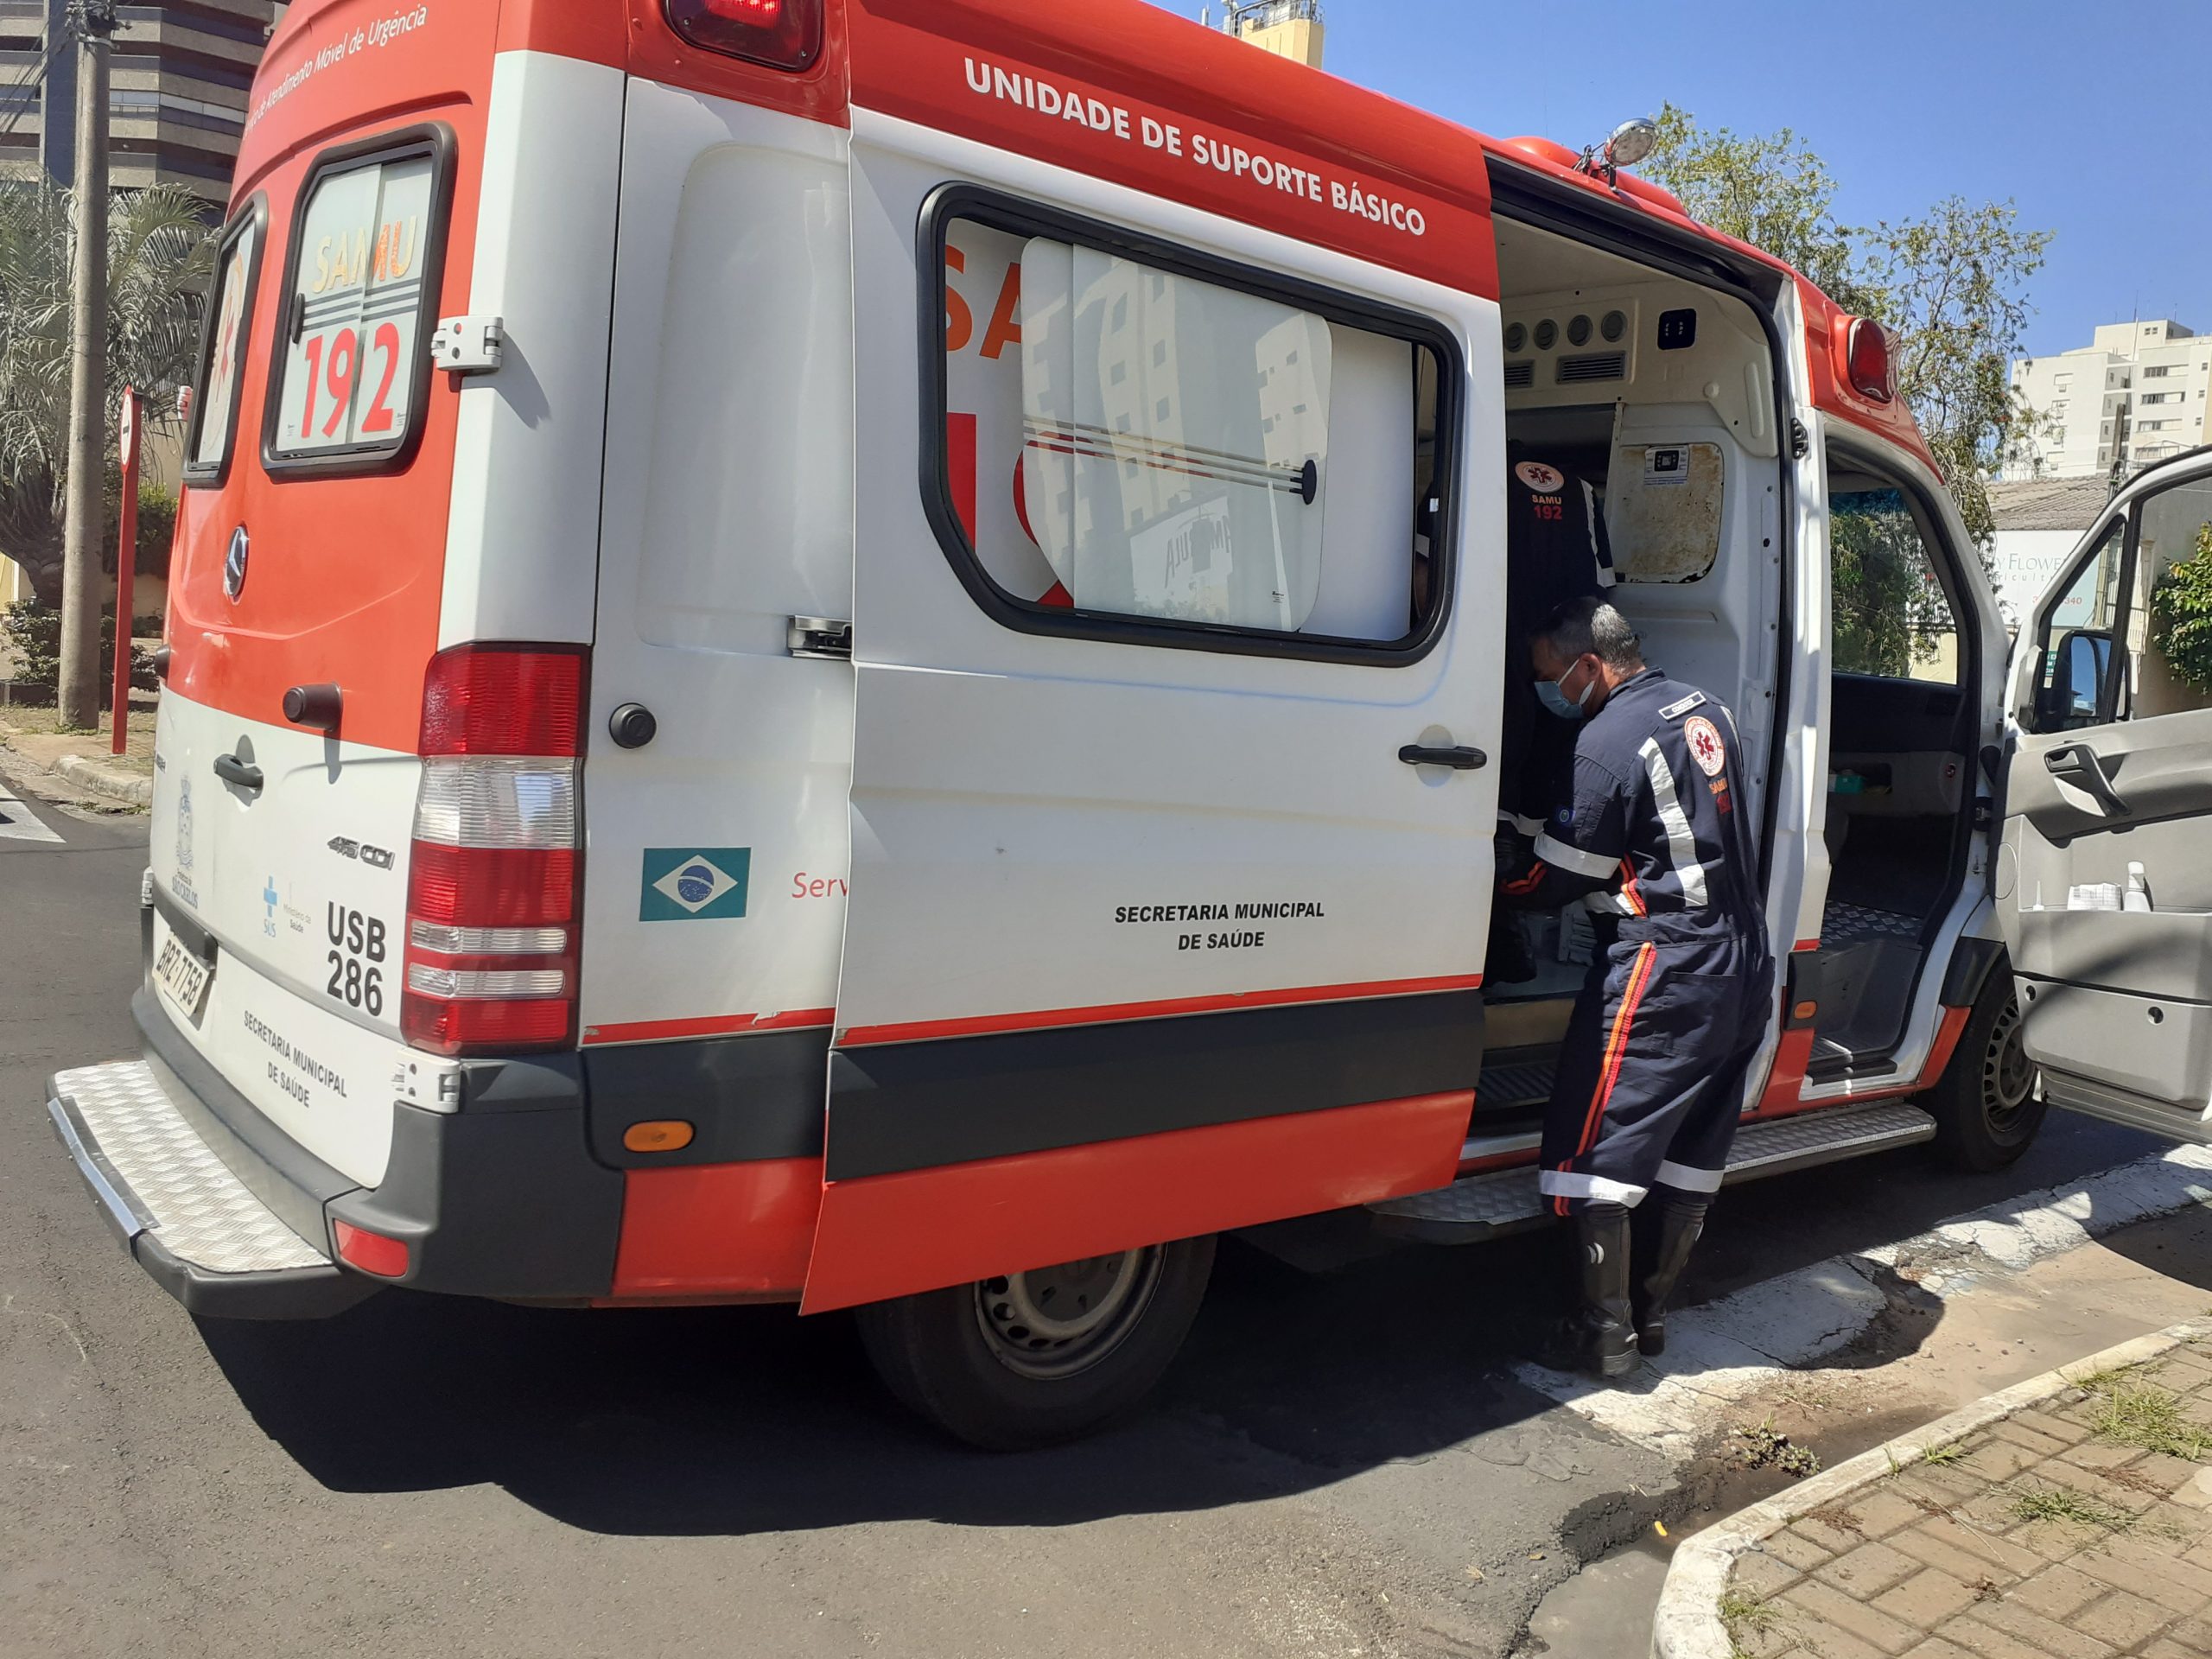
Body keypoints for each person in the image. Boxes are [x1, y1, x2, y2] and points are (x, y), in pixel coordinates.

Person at [1497, 595, 1773, 1380]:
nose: (1548, 690)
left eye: (1550, 675)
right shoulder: (1704, 707)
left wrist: (1501, 885)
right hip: (1744, 960)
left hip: (1666, 966)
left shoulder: (1607, 735)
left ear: (1588, 664)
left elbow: (1563, 875)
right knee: (1692, 1149)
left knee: (1597, 1144)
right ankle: (1649, 1325)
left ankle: (1600, 1338)